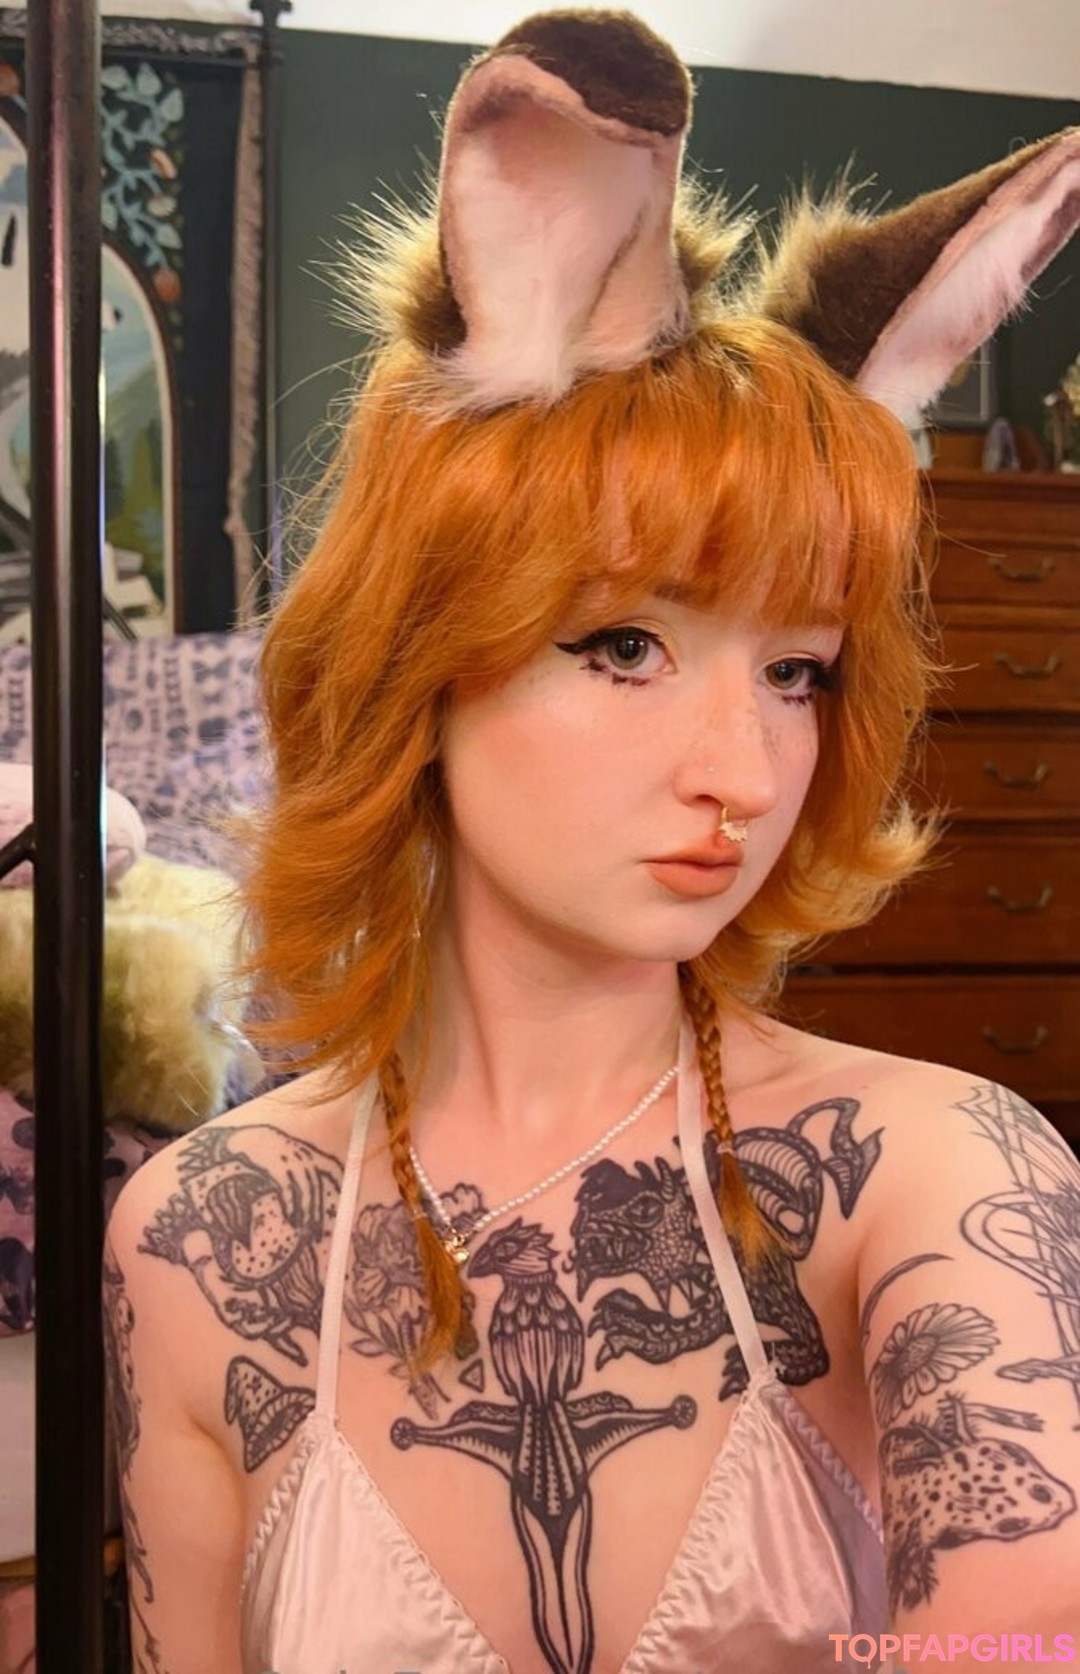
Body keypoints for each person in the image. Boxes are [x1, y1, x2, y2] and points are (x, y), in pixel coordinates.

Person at [104, 12, 1080, 1673]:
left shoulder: (936, 1177)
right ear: (422, 651)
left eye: (796, 671)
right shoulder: (197, 1237)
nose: (744, 770)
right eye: (625, 644)